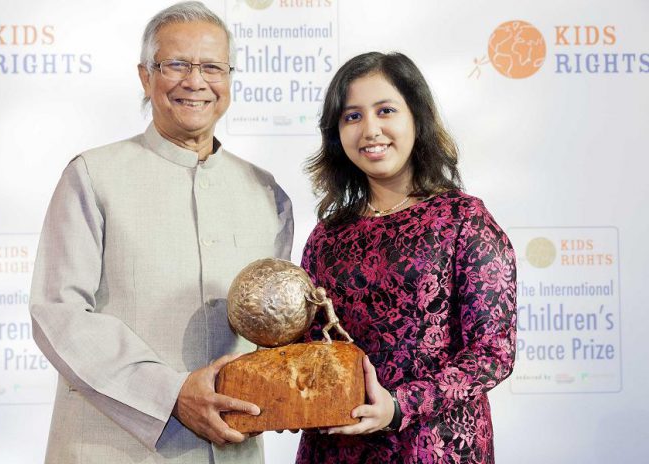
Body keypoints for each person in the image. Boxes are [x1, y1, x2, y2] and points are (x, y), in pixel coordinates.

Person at [29, 2, 293, 463]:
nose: (196, 81)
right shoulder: (93, 175)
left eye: (212, 66)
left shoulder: (266, 193)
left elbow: (275, 334)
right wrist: (171, 394)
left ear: (229, 78)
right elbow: (58, 311)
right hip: (111, 446)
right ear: (145, 76)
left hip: (233, 449)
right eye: (176, 64)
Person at [296, 52, 516, 463]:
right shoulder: (326, 236)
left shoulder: (463, 220)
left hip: (436, 445)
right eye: (352, 116)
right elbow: (312, 345)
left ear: (417, 117)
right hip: (336, 447)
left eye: (385, 111)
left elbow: (492, 353)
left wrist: (399, 405)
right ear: (336, 133)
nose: (370, 130)